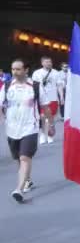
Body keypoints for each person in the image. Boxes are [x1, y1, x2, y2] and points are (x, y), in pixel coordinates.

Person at [0, 59, 46, 203]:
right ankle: (27, 180)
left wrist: (49, 124)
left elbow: (45, 106)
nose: (15, 72)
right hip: (12, 128)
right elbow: (1, 105)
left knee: (25, 157)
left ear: (26, 70)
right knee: (18, 159)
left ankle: (18, 189)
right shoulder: (7, 86)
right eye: (13, 69)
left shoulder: (35, 86)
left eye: (18, 69)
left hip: (30, 127)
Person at [32, 56, 64, 144]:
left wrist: (61, 97)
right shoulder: (37, 73)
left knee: (50, 117)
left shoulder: (56, 73)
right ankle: (42, 134)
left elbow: (59, 85)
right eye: (46, 62)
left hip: (53, 98)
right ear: (42, 63)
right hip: (41, 99)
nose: (48, 63)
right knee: (42, 116)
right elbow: (34, 86)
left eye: (50, 62)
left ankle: (50, 135)